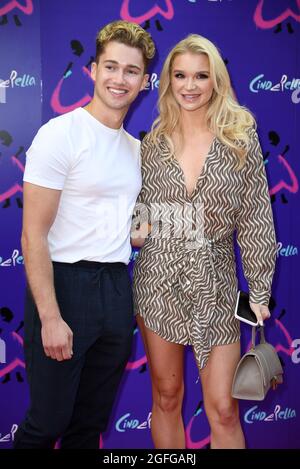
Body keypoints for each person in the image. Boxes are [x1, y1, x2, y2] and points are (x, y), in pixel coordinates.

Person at [14, 20, 155, 449]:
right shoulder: (60, 134)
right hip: (64, 286)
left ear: (144, 81)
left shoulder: (137, 149)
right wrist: (52, 317)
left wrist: (152, 226)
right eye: (111, 67)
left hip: (116, 289)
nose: (120, 79)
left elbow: (134, 231)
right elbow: (32, 236)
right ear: (92, 70)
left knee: (88, 427)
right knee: (48, 423)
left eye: (131, 71)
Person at [131, 34, 276, 449]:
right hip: (158, 280)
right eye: (180, 75)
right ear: (168, 81)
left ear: (215, 80)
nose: (190, 86)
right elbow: (138, 213)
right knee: (167, 396)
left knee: (224, 409)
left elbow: (255, 220)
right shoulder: (151, 146)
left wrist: (260, 291)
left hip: (218, 285)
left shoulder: (240, 142)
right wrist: (137, 231)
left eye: (200, 75)